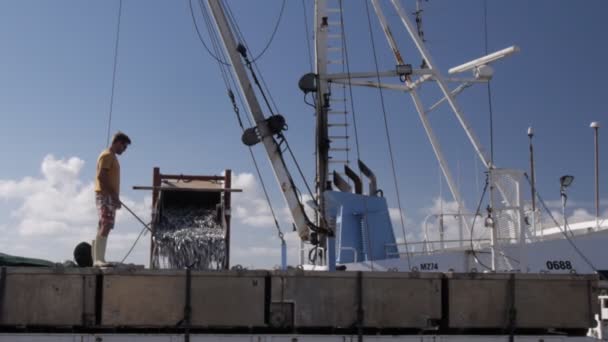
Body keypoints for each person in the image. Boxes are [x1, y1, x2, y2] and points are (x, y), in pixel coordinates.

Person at [93, 131, 131, 266]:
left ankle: (97, 258)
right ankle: (98, 259)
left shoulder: (112, 157)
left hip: (108, 195)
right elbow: (101, 176)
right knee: (106, 224)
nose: (124, 150)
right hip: (105, 195)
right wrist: (113, 195)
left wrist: (115, 197)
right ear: (117, 143)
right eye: (124, 146)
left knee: (103, 225)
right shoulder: (107, 155)